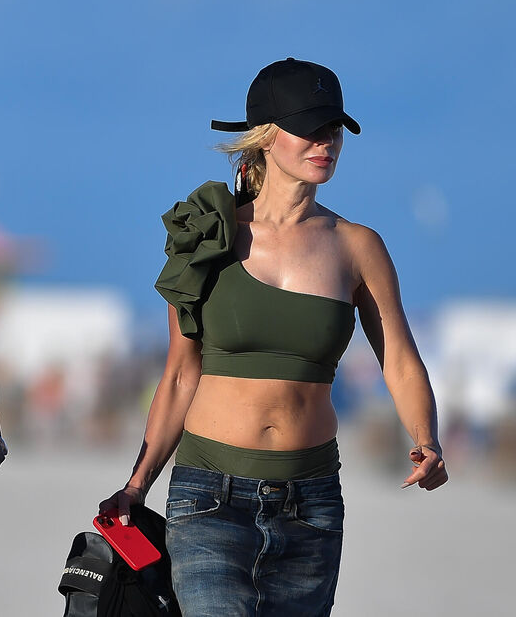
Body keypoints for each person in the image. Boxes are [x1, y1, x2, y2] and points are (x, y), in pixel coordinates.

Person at [100, 58, 447, 616]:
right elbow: (181, 374)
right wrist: (138, 485)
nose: (325, 141)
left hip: (311, 505)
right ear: (265, 136)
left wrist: (426, 439)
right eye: (309, 127)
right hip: (209, 498)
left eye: (333, 128)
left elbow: (400, 359)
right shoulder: (209, 236)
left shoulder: (358, 246)